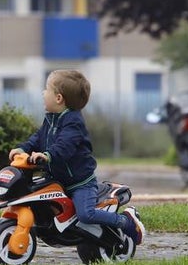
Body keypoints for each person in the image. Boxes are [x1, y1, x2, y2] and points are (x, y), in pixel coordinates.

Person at [8, 69, 145, 246]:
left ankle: (126, 222)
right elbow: (38, 137)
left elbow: (65, 146)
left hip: (79, 183)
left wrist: (47, 156)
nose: (43, 93)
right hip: (57, 179)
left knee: (85, 214)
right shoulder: (51, 119)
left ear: (58, 98)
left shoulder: (73, 122)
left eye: (46, 89)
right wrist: (23, 148)